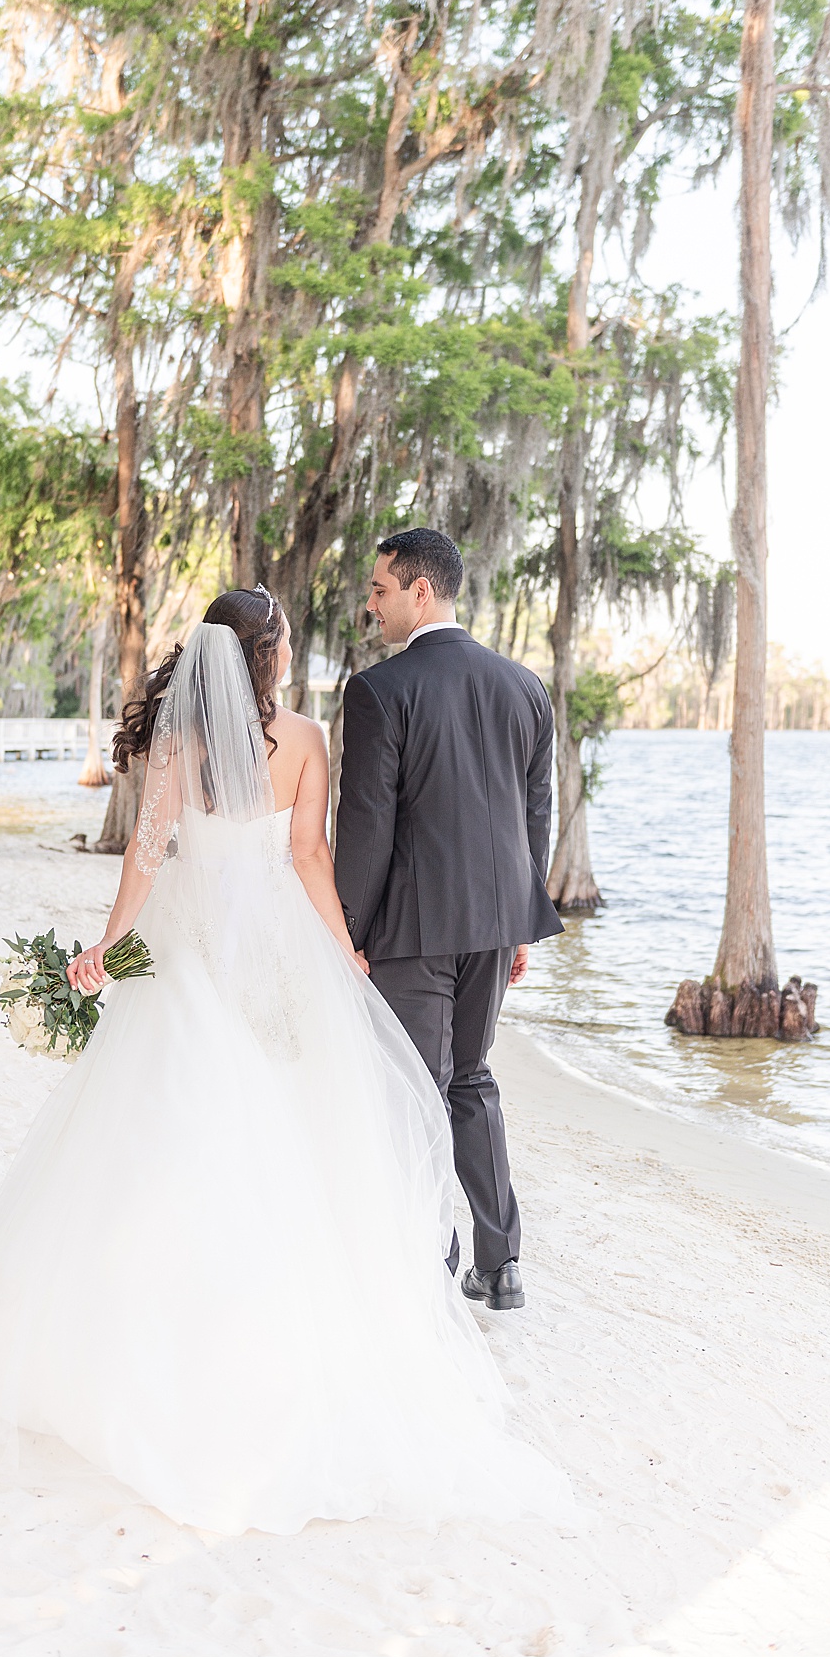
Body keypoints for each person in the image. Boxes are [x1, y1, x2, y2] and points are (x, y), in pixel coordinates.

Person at [0, 590, 575, 1535]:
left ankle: (143, 1331)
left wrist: (109, 954)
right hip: (277, 954)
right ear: (270, 658)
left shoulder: (177, 749)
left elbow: (144, 862)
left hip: (189, 950)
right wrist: (345, 947)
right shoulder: (307, 740)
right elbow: (312, 858)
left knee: (163, 1125)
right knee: (290, 1131)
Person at [336, 528, 566, 1310]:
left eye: (379, 589)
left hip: (413, 930)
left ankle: (433, 1253)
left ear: (420, 591)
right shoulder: (525, 686)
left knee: (414, 1088)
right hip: (496, 923)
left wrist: (347, 930)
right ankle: (501, 1265)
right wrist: (523, 923)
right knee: (472, 1077)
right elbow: (536, 813)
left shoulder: (379, 691)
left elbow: (365, 827)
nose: (371, 604)